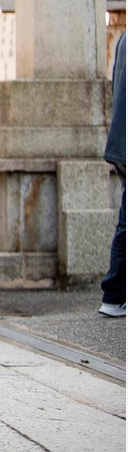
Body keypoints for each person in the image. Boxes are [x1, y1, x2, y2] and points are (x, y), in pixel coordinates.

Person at [100, 32, 125, 317]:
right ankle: (115, 293)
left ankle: (114, 295)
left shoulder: (123, 38)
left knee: (125, 221)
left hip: (121, 139)